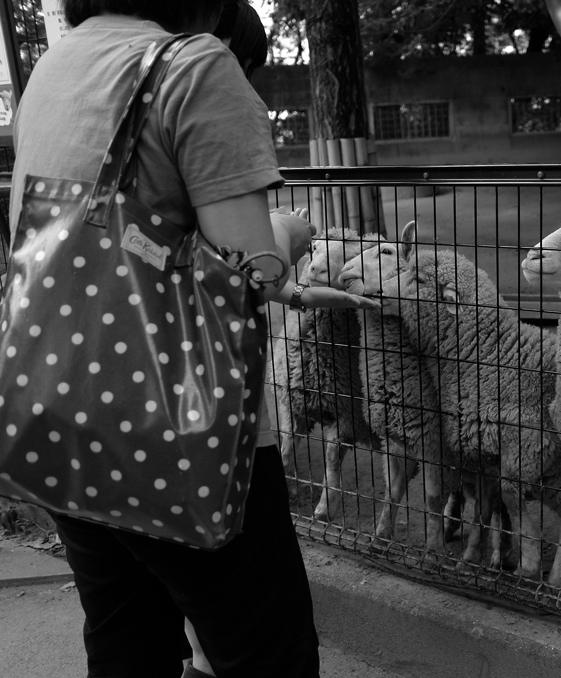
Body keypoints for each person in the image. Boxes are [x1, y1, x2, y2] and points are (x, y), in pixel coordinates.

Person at [7, 2, 369, 677]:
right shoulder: (196, 63)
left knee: (127, 636)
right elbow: (244, 273)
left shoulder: (57, 64)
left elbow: (128, 238)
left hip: (64, 416)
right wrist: (289, 234)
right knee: (267, 651)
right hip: (180, 433)